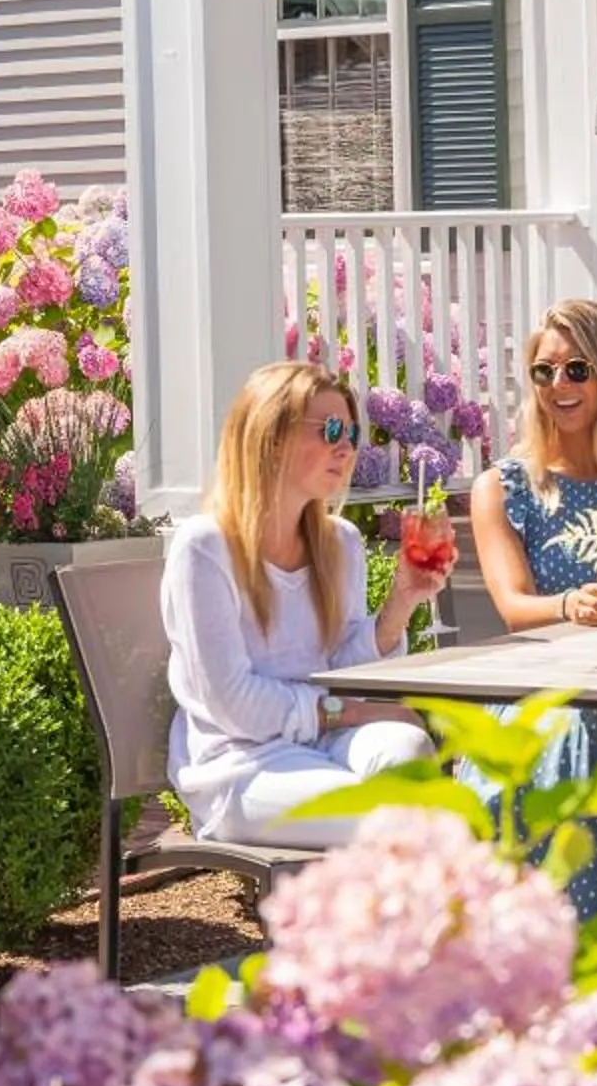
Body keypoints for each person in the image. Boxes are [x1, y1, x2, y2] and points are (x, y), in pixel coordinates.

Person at [162, 360, 452, 848]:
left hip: (323, 744)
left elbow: (339, 665)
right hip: (241, 765)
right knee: (396, 821)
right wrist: (353, 713)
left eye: (353, 432)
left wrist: (400, 605)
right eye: (331, 429)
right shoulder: (205, 548)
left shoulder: (340, 543)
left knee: (409, 750)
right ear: (270, 438)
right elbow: (234, 705)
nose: (347, 447)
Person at [468, 298, 597, 915]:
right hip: (541, 694)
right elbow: (512, 607)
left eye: (577, 369)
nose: (559, 385)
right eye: (545, 371)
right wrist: (569, 605)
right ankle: (575, 936)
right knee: (579, 732)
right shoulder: (506, 487)